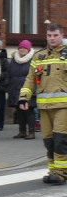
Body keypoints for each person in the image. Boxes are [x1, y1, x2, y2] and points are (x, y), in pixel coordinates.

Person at [19, 24, 67, 184]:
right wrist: (24, 97)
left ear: (62, 35)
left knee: (60, 139)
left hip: (63, 106)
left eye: (55, 35)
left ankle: (61, 172)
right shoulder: (39, 56)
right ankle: (53, 170)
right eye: (49, 35)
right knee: (49, 140)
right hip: (44, 106)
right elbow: (30, 79)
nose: (52, 38)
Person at [7, 39, 35, 140]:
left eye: (24, 48)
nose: (22, 50)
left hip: (28, 88)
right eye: (21, 48)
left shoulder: (33, 59)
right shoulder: (14, 59)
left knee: (29, 110)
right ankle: (22, 131)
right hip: (15, 88)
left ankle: (31, 131)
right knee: (19, 111)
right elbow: (9, 73)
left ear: (28, 49)